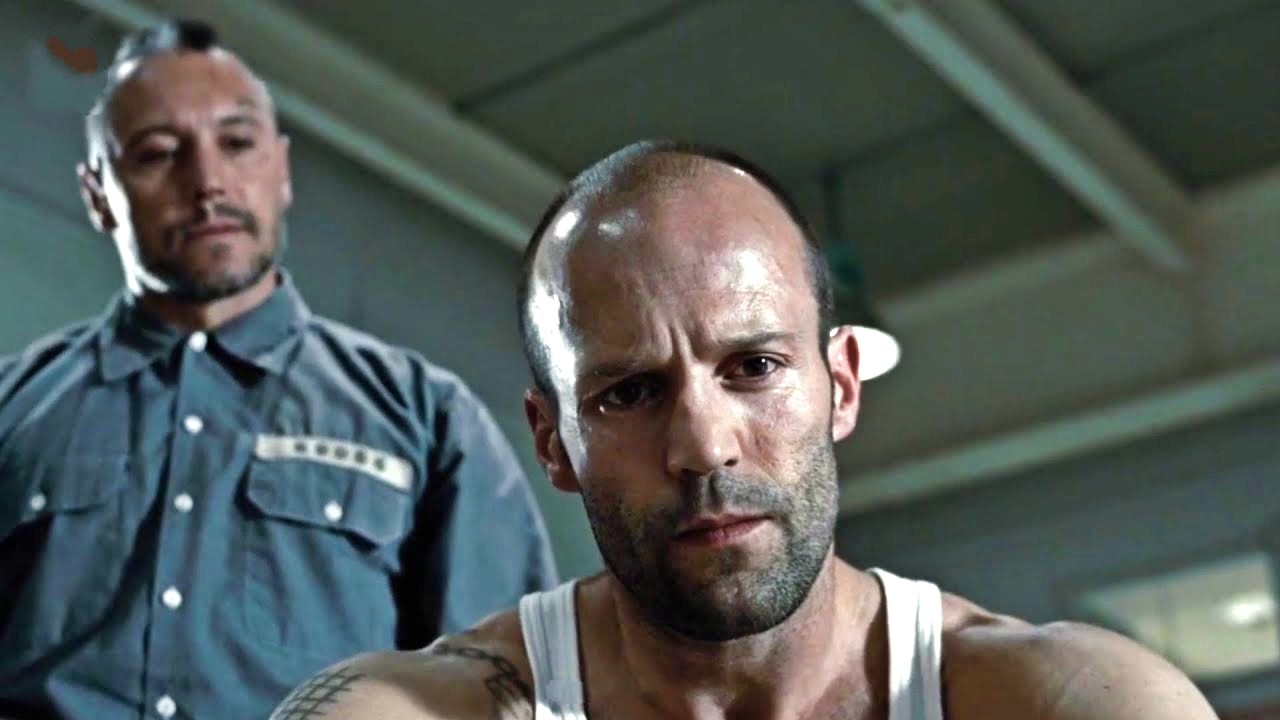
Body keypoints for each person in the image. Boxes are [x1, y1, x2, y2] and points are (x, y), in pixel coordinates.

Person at [271, 140, 1220, 720]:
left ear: (840, 385)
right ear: (552, 441)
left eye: (754, 367)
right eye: (629, 394)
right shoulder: (421, 712)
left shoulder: (1063, 704)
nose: (704, 447)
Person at [0, 19, 557, 720]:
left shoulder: (428, 419)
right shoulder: (13, 411)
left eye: (236, 143)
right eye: (157, 153)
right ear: (97, 195)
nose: (207, 182)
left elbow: (506, 690)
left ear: (282, 170)